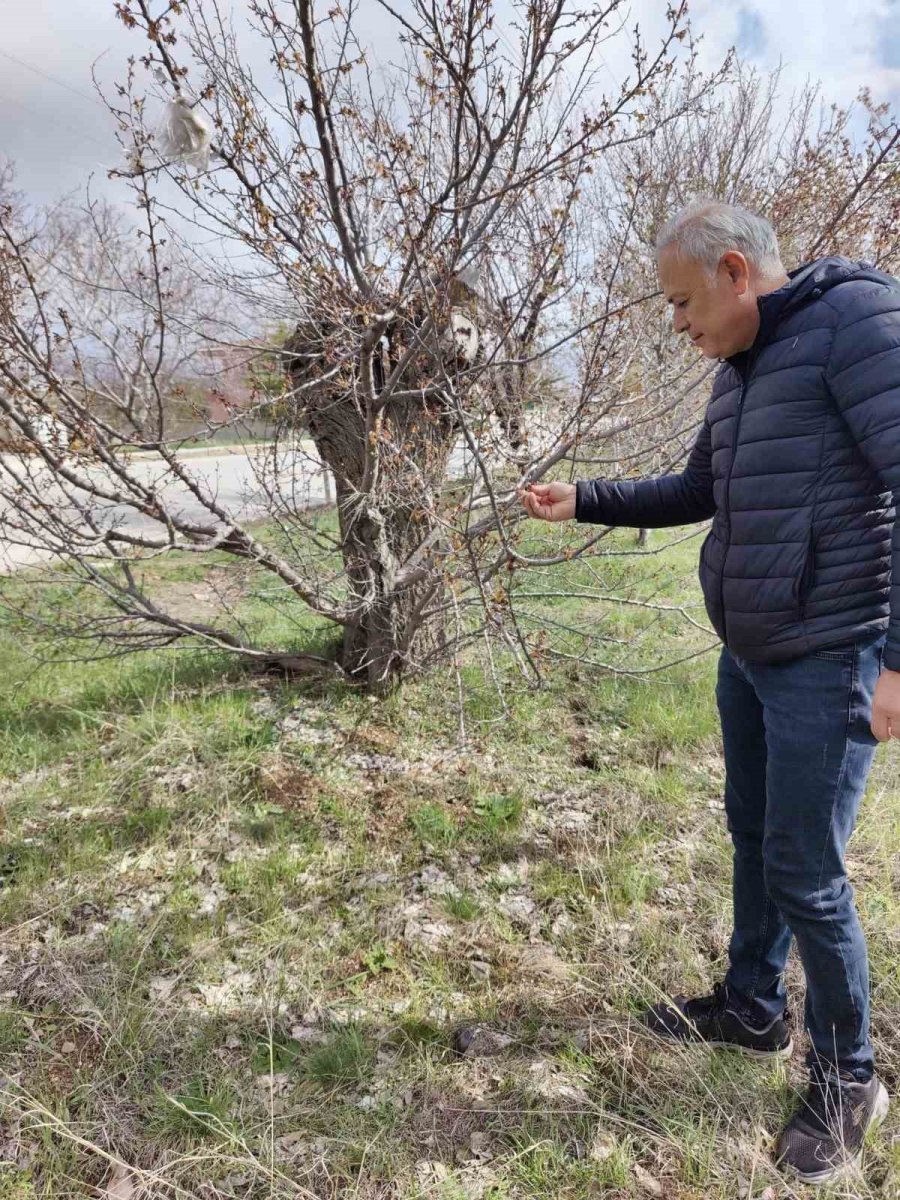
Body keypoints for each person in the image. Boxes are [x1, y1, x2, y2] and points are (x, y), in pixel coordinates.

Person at [518, 199, 900, 1185]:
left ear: (736, 271)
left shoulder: (855, 324)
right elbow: (702, 492)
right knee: (752, 837)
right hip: (754, 652)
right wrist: (587, 498)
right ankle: (751, 1007)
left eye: (683, 303)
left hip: (834, 653)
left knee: (806, 870)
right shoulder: (737, 375)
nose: (678, 325)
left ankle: (849, 1077)